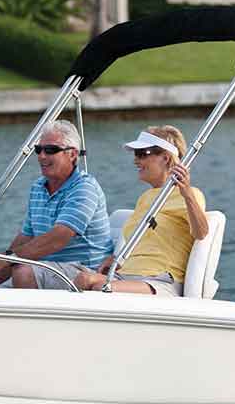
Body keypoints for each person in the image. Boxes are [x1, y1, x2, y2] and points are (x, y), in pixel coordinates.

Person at [0, 120, 112, 289]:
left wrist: (5, 260)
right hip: (49, 270)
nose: (42, 156)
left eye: (50, 150)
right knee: (16, 267)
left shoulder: (85, 189)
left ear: (73, 154)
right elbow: (25, 239)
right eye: (39, 149)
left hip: (86, 271)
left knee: (23, 271)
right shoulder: (38, 187)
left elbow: (58, 238)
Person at [75, 125, 207, 296]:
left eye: (141, 154)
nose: (135, 160)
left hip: (160, 280)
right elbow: (148, 245)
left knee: (99, 287)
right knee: (82, 279)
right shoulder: (145, 198)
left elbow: (201, 233)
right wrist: (118, 260)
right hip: (127, 275)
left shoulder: (189, 194)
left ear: (166, 158)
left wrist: (188, 194)